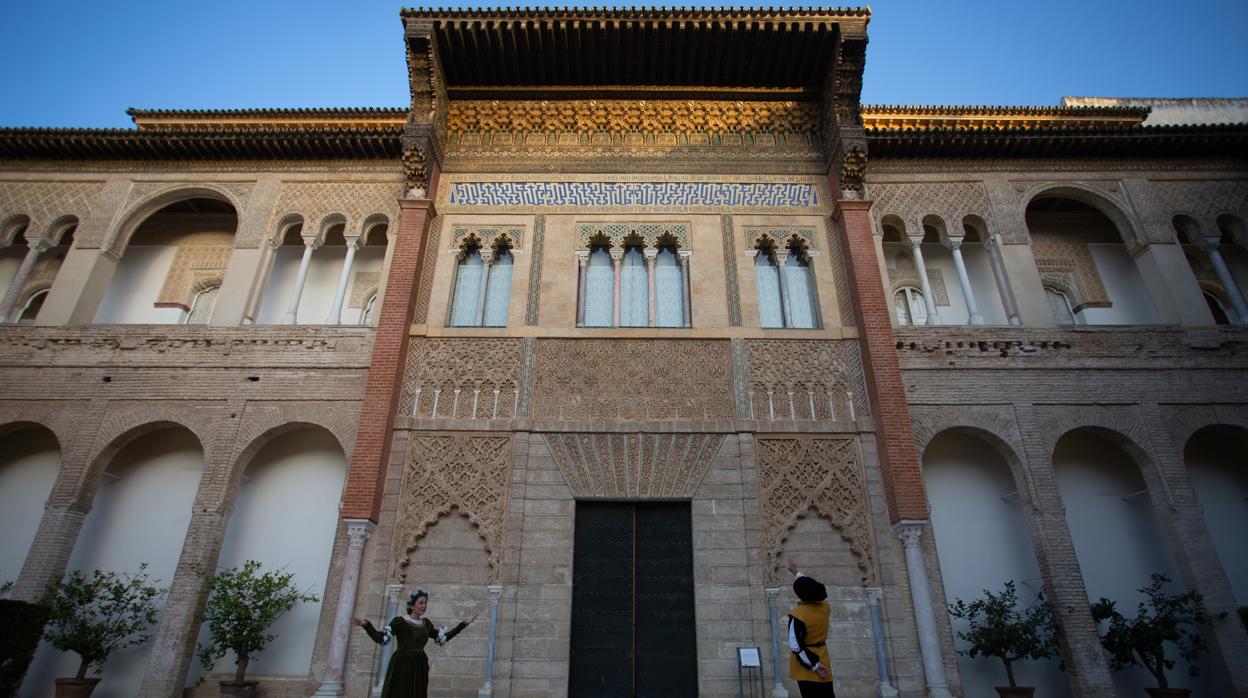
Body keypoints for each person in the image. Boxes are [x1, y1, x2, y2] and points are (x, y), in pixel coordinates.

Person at [352, 589, 479, 698]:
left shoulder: (426, 624)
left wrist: (462, 625)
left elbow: (443, 638)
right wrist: (366, 625)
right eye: (421, 603)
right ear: (412, 606)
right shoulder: (400, 622)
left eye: (425, 603)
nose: (424, 606)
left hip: (419, 665)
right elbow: (382, 638)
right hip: (402, 663)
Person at [784, 559, 835, 697]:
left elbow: (795, 646)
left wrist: (815, 665)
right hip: (822, 655)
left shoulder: (798, 615)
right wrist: (796, 572)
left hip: (807, 662)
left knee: (810, 693)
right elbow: (810, 587)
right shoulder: (825, 608)